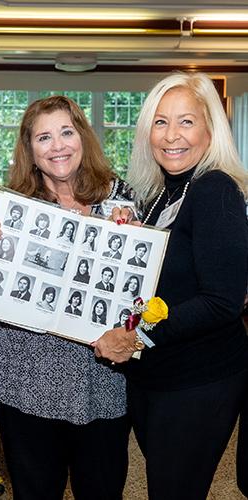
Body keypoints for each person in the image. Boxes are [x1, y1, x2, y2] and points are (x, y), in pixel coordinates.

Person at [0, 95, 134, 500]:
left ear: (83, 137)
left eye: (66, 132)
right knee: (35, 490)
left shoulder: (121, 197)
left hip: (97, 375)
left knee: (102, 487)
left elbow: (140, 288)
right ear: (29, 149)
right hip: (24, 373)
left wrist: (131, 238)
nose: (57, 145)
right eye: (44, 137)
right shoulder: (10, 204)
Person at [93, 72, 248, 500]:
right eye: (160, 123)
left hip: (199, 380)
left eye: (186, 122)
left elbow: (222, 302)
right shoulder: (163, 192)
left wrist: (134, 335)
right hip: (158, 375)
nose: (171, 136)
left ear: (210, 129)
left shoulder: (215, 190)